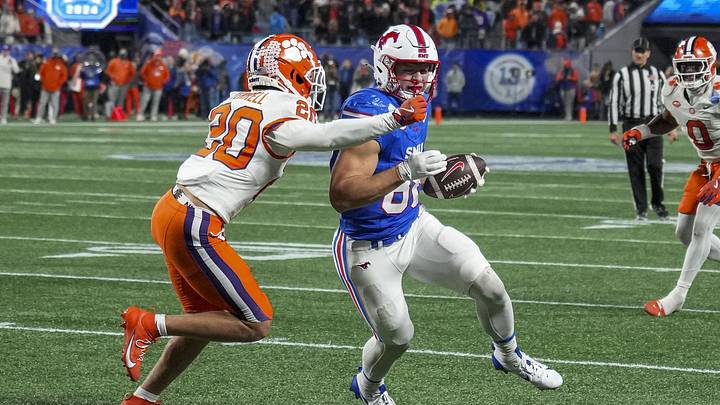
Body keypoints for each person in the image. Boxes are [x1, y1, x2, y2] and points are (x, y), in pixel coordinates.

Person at [119, 33, 429, 405]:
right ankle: (149, 324)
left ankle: (142, 399)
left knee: (207, 319)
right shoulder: (282, 111)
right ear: (291, 74)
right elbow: (327, 135)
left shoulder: (234, 101)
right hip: (195, 222)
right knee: (255, 323)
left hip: (171, 208)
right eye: (308, 76)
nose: (313, 86)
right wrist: (393, 118)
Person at [328, 24, 563, 405]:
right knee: (398, 339)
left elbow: (404, 169)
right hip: (367, 246)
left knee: (492, 288)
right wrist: (407, 173)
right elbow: (342, 195)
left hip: (414, 225)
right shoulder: (368, 111)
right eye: (409, 68)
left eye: (425, 69)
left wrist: (433, 179)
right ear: (386, 66)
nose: (419, 78)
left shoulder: (417, 106)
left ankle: (508, 355)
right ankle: (369, 387)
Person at [623, 36, 720, 317]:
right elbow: (670, 118)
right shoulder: (674, 89)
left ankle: (677, 296)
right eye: (685, 67)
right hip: (706, 165)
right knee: (684, 234)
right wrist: (641, 131)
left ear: (711, 65)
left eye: (695, 67)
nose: (689, 74)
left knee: (702, 228)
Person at [609, 37, 678, 220]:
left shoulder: (657, 73)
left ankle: (658, 204)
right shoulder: (621, 75)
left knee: (655, 166)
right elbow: (615, 101)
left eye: (643, 51)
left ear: (648, 53)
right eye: (636, 50)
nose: (639, 54)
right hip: (631, 124)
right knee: (635, 168)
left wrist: (671, 127)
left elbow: (667, 101)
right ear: (632, 51)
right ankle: (641, 209)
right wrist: (613, 128)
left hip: (653, 124)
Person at [35, 47, 68, 125]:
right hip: (45, 87)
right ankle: (39, 118)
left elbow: (64, 76)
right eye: (54, 53)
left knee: (55, 104)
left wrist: (59, 83)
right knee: (42, 103)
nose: (55, 55)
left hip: (56, 88)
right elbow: (40, 73)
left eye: (56, 54)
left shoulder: (61, 64)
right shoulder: (47, 63)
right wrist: (43, 82)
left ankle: (53, 119)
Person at [137, 49, 170, 121]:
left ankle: (153, 115)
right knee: (144, 101)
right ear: (154, 56)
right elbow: (142, 73)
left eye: (159, 56)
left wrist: (163, 82)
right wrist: (146, 80)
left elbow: (167, 75)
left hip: (158, 87)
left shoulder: (163, 65)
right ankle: (140, 114)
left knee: (156, 102)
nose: (158, 57)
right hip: (148, 87)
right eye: (157, 56)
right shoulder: (149, 63)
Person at [105, 48, 136, 118]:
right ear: (119, 54)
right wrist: (112, 79)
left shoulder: (128, 63)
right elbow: (107, 71)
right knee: (111, 100)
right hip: (114, 84)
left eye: (124, 54)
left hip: (124, 85)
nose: (123, 56)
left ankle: (118, 115)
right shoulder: (113, 61)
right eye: (122, 54)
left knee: (121, 101)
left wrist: (127, 81)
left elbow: (132, 73)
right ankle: (109, 115)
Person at [0, 44, 18, 124]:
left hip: (7, 84)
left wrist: (11, 64)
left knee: (5, 103)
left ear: (9, 51)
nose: (5, 52)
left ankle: (3, 118)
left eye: (7, 50)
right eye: (4, 50)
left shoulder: (12, 60)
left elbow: (16, 71)